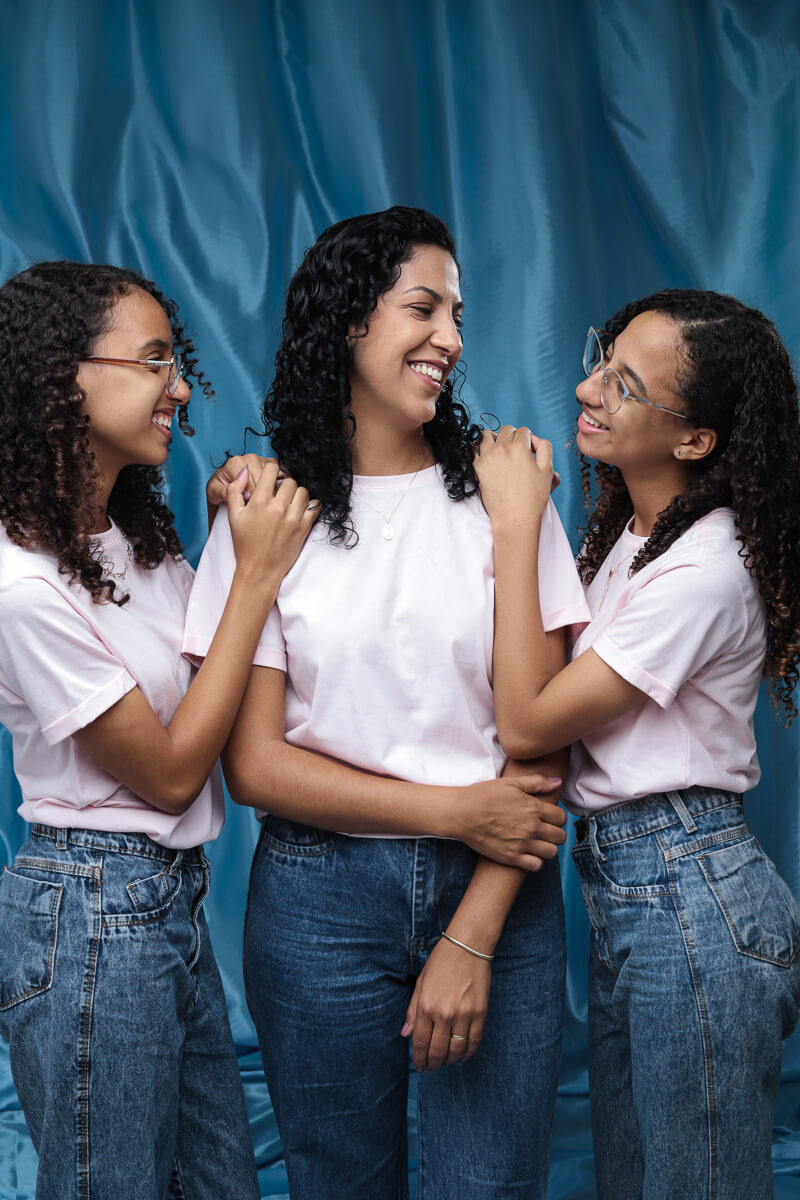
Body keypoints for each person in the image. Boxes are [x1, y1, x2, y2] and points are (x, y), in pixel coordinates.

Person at [186, 205, 590, 1200]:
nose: (450, 337)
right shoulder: (264, 515)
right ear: (350, 321)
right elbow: (255, 768)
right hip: (316, 900)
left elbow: (542, 744)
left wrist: (471, 931)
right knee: (335, 1184)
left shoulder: (510, 497)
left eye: (457, 313)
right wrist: (455, 809)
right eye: (423, 307)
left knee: (488, 1188)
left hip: (500, 892)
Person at [0, 260, 320, 1200]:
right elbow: (176, 772)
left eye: (176, 360)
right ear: (66, 377)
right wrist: (256, 576)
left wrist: (228, 530)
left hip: (163, 909)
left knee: (220, 1186)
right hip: (92, 913)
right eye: (153, 361)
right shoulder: (21, 589)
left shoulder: (127, 535)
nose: (180, 384)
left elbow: (200, 673)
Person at [473, 289, 800, 1200]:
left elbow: (531, 723)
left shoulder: (704, 567)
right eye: (600, 357)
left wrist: (513, 524)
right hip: (637, 890)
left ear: (694, 440)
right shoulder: (636, 537)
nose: (587, 387)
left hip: (689, 894)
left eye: (623, 384)